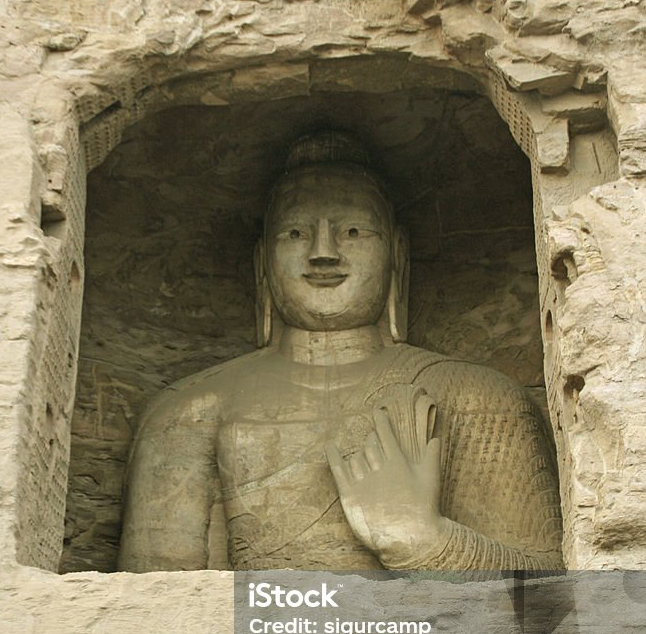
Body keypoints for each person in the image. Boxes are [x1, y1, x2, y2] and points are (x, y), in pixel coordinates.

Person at [118, 131, 562, 573]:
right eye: (295, 233)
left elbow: (557, 610)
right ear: (262, 263)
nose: (323, 253)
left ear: (397, 257)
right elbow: (152, 619)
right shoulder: (189, 413)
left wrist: (426, 542)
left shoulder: (478, 398)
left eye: (352, 231)